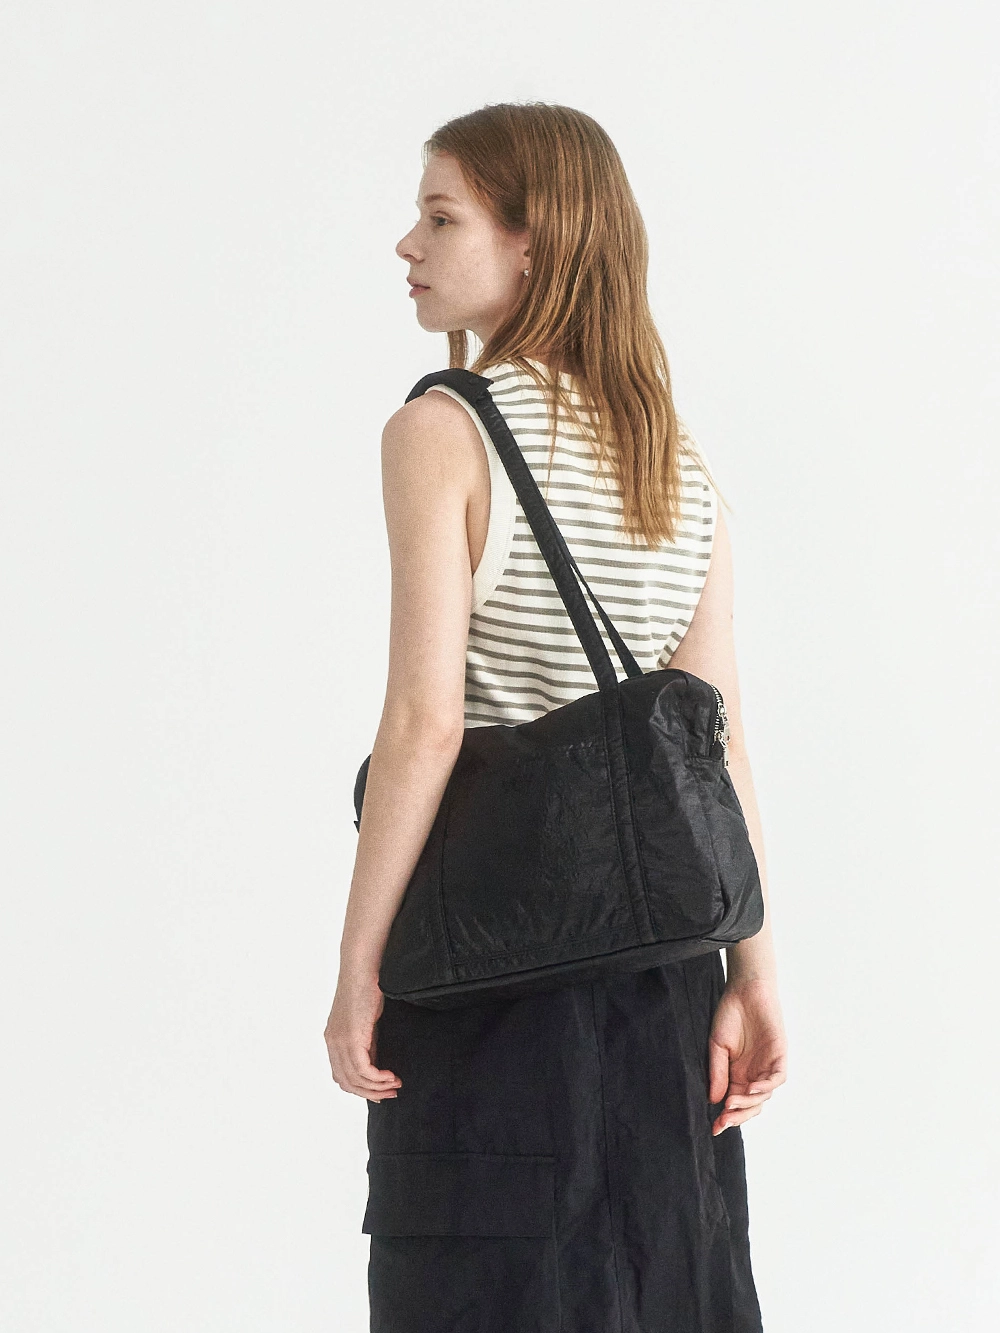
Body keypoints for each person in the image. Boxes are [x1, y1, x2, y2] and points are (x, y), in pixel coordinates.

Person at [325, 102, 788, 1333]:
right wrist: (755, 970)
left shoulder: (442, 431)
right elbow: (717, 741)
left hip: (490, 965)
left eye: (441, 217)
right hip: (667, 979)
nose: (408, 245)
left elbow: (424, 723)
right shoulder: (671, 457)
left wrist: (357, 966)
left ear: (534, 242)